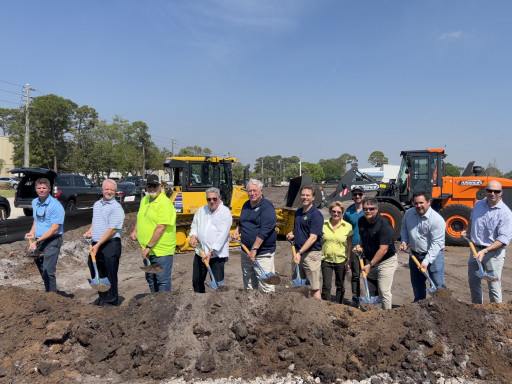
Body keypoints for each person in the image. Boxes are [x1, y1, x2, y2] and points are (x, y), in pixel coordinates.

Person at [464, 180, 512, 303]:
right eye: (489, 190)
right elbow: (472, 218)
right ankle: (477, 309)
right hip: (475, 250)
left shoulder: (505, 213)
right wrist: (468, 230)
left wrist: (485, 251)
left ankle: (496, 315)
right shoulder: (478, 205)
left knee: (494, 286)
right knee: (474, 283)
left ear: (501, 193)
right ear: (485, 191)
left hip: (493, 253)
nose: (492, 194)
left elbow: (502, 240)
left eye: (496, 191)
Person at [130, 174, 176, 292]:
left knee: (162, 280)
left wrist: (149, 246)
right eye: (150, 186)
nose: (152, 188)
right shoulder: (145, 200)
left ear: (160, 187)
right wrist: (135, 230)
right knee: (150, 278)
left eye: (155, 186)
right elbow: (140, 217)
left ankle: (163, 308)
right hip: (147, 250)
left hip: (161, 251)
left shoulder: (165, 203)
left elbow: (161, 227)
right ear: (146, 186)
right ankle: (153, 305)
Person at [84, 179, 125, 306]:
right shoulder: (97, 204)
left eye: (112, 190)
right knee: (96, 270)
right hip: (97, 244)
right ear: (102, 190)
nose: (109, 192)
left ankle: (112, 300)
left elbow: (112, 230)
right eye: (106, 189)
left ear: (115, 192)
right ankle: (102, 297)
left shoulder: (116, 208)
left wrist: (98, 245)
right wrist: (90, 231)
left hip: (110, 245)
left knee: (110, 273)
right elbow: (95, 221)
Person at [399, 191, 446, 302]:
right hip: (415, 254)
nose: (418, 206)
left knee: (437, 285)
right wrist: (404, 241)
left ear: (428, 202)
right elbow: (404, 228)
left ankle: (441, 308)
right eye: (416, 203)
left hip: (434, 257)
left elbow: (436, 243)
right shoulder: (409, 214)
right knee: (417, 285)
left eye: (421, 203)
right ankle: (419, 307)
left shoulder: (436, 220)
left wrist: (425, 262)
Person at [232, 179, 277, 293]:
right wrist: (237, 230)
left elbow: (265, 230)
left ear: (261, 191)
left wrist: (255, 248)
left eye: (254, 191)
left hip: (262, 253)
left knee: (267, 284)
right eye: (249, 191)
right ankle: (251, 305)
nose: (252, 193)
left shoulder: (267, 207)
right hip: (246, 251)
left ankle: (269, 307)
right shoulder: (246, 205)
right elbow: (243, 222)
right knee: (249, 283)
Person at [354, 197, 397, 309]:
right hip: (370, 259)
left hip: (386, 260)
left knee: (383, 290)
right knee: (371, 290)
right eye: (365, 209)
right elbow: (363, 237)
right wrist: (361, 246)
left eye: (371, 208)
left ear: (377, 209)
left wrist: (370, 265)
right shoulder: (362, 221)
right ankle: (373, 316)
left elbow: (383, 249)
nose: (368, 211)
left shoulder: (384, 224)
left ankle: (387, 316)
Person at [25, 177, 65, 293]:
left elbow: (54, 229)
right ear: (36, 189)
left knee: (48, 270)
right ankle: (49, 291)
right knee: (42, 269)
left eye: (44, 188)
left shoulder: (56, 206)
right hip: (38, 240)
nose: (41, 190)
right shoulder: (35, 202)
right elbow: (36, 220)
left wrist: (36, 242)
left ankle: (53, 298)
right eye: (39, 188)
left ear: (49, 189)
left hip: (52, 240)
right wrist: (32, 233)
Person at [189, 187, 232, 292]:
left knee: (218, 285)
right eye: (209, 199)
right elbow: (194, 225)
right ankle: (199, 303)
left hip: (216, 256)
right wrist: (193, 236)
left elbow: (222, 235)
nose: (212, 201)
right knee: (197, 282)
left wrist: (212, 251)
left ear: (219, 198)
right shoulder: (201, 211)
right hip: (201, 253)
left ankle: (217, 307)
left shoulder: (225, 212)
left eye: (214, 199)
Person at [287, 184, 324, 300]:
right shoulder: (298, 212)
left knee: (314, 287)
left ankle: (318, 311)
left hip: (311, 255)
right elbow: (298, 228)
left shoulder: (316, 215)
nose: (305, 197)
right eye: (303, 195)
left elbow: (313, 237)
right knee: (299, 285)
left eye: (308, 195)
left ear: (313, 197)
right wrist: (292, 233)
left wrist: (300, 252)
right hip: (299, 253)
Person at [321, 201, 353, 303]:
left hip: (340, 260)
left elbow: (349, 244)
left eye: (339, 212)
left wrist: (349, 260)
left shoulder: (347, 226)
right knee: (326, 285)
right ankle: (326, 305)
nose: (336, 214)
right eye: (333, 211)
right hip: (326, 259)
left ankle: (339, 305)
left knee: (340, 285)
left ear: (342, 213)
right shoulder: (324, 225)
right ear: (330, 212)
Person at [343, 185, 365, 307]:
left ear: (364, 195)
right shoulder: (348, 212)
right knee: (355, 275)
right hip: (355, 248)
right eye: (355, 194)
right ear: (352, 196)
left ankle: (371, 298)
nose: (357, 196)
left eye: (360, 194)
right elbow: (346, 232)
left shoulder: (368, 209)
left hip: (368, 248)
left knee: (370, 275)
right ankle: (355, 298)